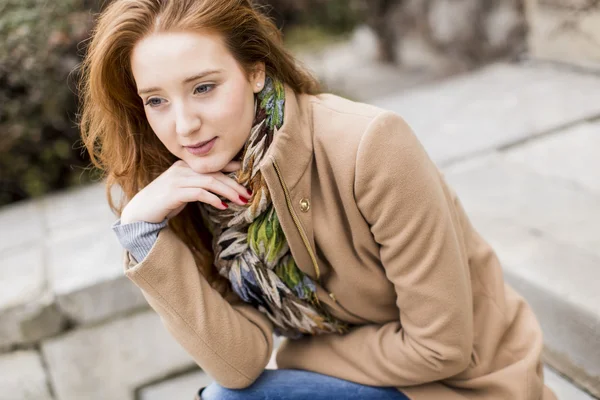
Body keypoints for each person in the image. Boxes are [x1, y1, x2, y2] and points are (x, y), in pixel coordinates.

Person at [78, 0, 558, 399]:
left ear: (255, 73)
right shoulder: (197, 192)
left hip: (471, 383)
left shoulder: (369, 145)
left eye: (204, 88)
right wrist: (142, 232)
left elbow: (441, 348)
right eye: (156, 100)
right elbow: (239, 363)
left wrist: (296, 355)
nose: (183, 126)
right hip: (379, 376)